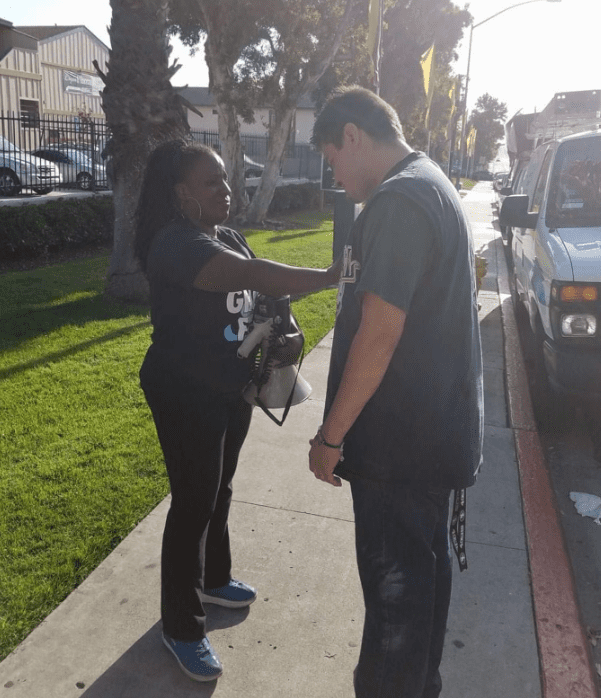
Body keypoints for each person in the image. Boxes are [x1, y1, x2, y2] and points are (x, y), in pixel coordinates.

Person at [135, 140, 339, 682]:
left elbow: (258, 299)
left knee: (220, 488)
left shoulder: (224, 234)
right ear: (181, 194)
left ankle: (214, 577)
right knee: (192, 503)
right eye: (213, 183)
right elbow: (255, 276)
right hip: (183, 389)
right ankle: (180, 626)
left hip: (230, 386)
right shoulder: (175, 245)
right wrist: (327, 276)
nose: (228, 190)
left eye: (228, 180)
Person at [308, 86, 484, 698]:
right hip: (429, 443)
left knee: (395, 614)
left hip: (399, 450)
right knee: (420, 593)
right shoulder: (430, 180)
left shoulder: (398, 201)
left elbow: (379, 334)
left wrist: (330, 436)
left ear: (353, 136)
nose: (335, 175)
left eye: (332, 158)